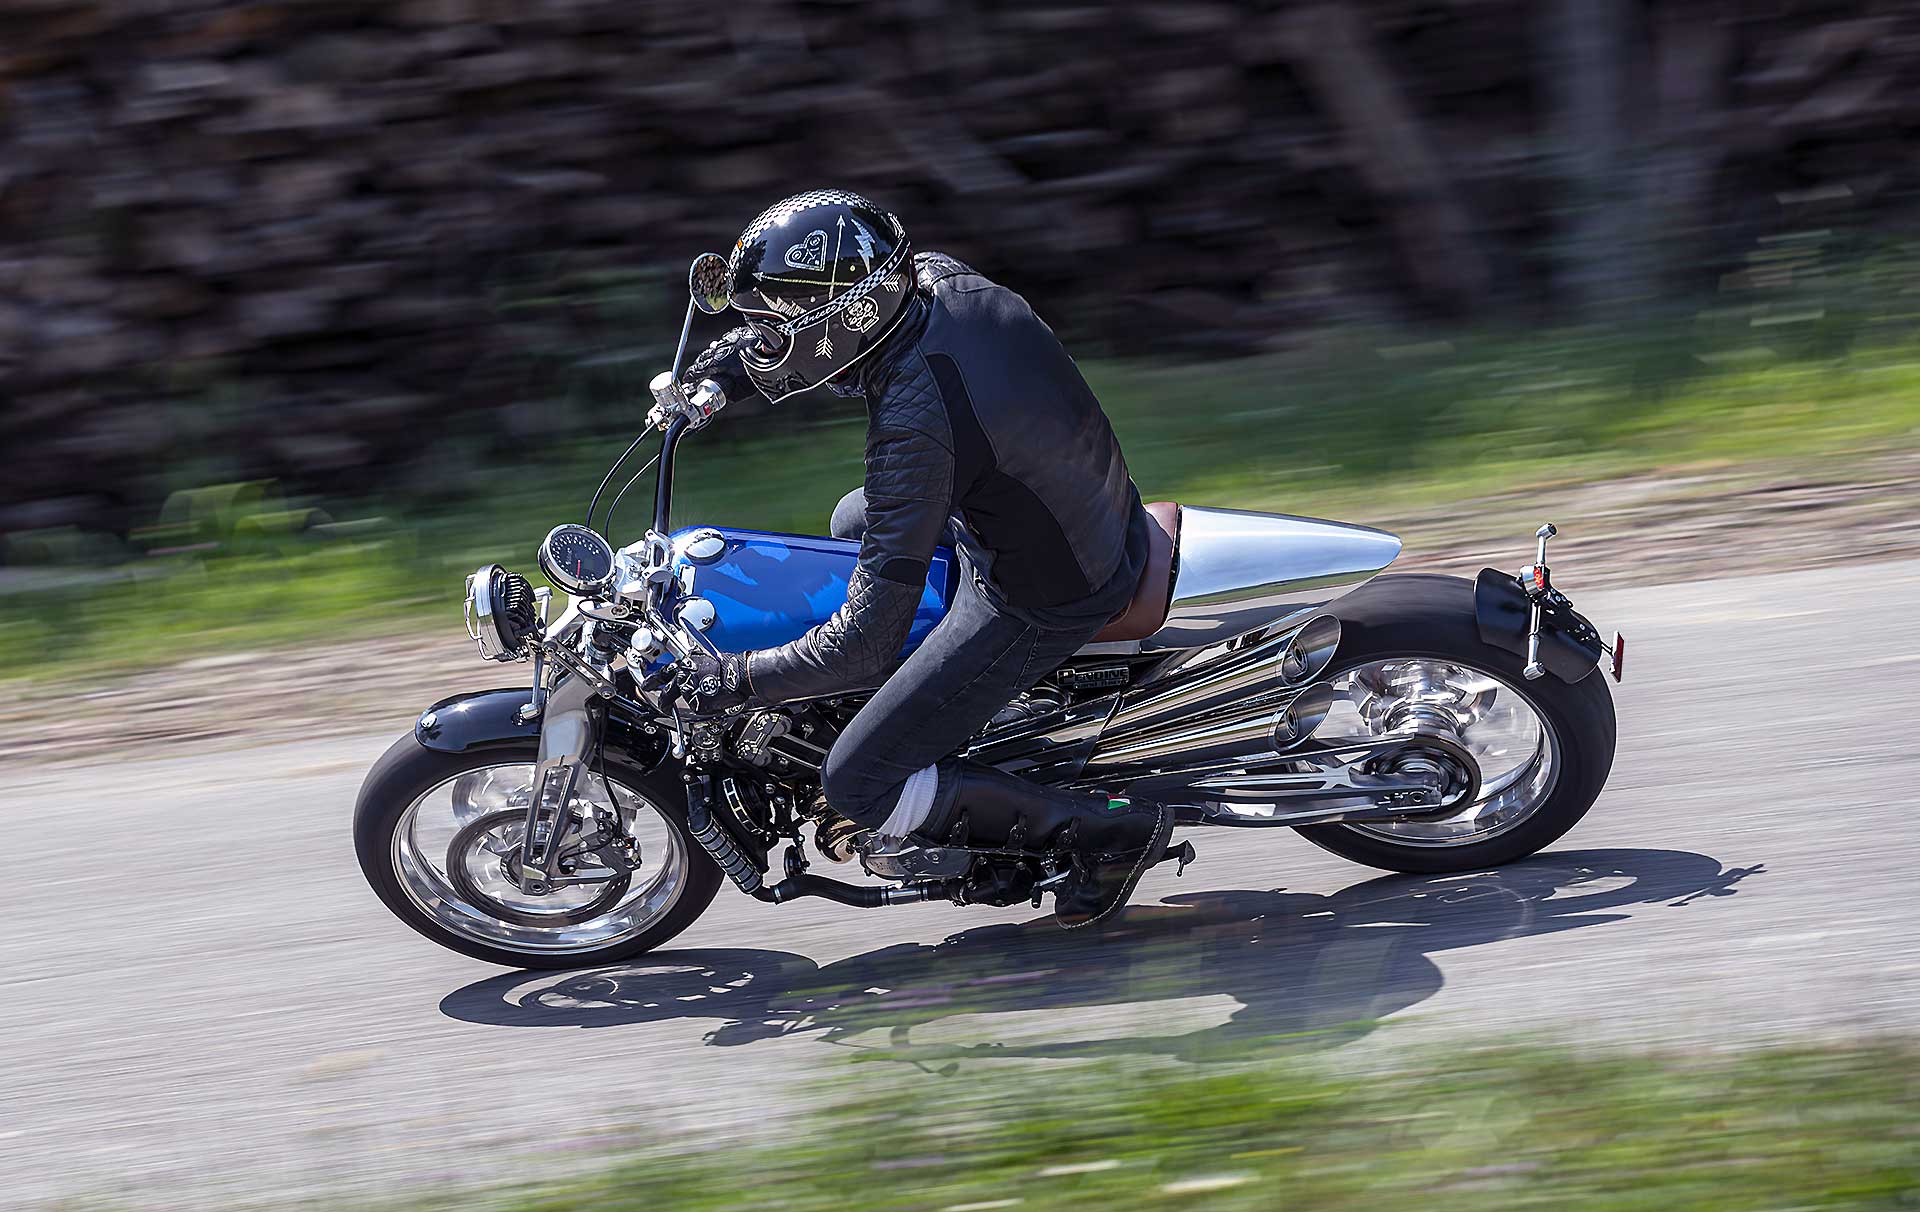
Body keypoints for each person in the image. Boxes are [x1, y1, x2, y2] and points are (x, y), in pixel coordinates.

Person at [674, 189, 1171, 929]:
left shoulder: (915, 425)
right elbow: (824, 343)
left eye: (778, 325)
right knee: (850, 521)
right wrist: (738, 372)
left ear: (845, 320)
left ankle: (1116, 835)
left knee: (857, 778)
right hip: (1061, 499)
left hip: (1045, 588)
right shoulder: (934, 279)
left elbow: (867, 637)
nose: (767, 337)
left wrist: (740, 679)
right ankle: (933, 717)